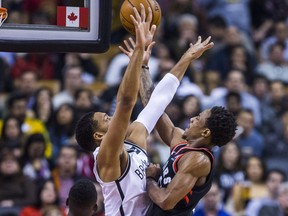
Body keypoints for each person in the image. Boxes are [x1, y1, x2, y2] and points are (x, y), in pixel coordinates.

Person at [75, 5, 214, 216]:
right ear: (99, 135)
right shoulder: (106, 157)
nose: (111, 116)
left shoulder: (133, 140)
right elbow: (125, 103)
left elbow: (157, 103)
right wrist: (138, 52)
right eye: (105, 118)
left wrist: (186, 58)